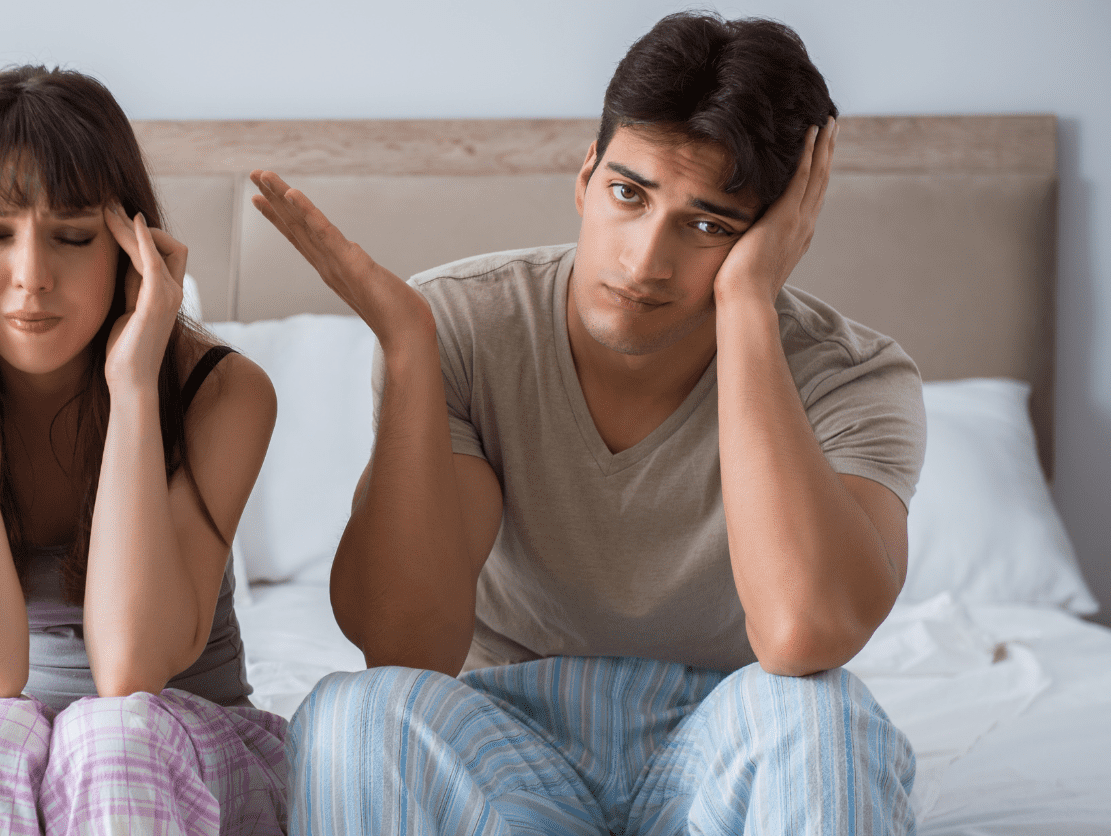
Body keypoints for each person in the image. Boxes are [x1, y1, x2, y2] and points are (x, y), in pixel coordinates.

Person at [251, 12, 924, 836]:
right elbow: (408, 644)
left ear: (782, 235)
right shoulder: (462, 325)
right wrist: (407, 348)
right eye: (627, 194)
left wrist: (748, 307)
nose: (644, 262)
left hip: (729, 733)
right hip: (503, 736)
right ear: (584, 178)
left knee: (828, 722)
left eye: (710, 225)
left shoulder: (850, 374)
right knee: (353, 713)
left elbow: (802, 635)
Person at [0, 66, 286, 835]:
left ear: (131, 247)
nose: (31, 278)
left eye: (74, 237)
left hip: (176, 753)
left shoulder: (224, 396)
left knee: (108, 736)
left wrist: (135, 386)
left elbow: (130, 669)